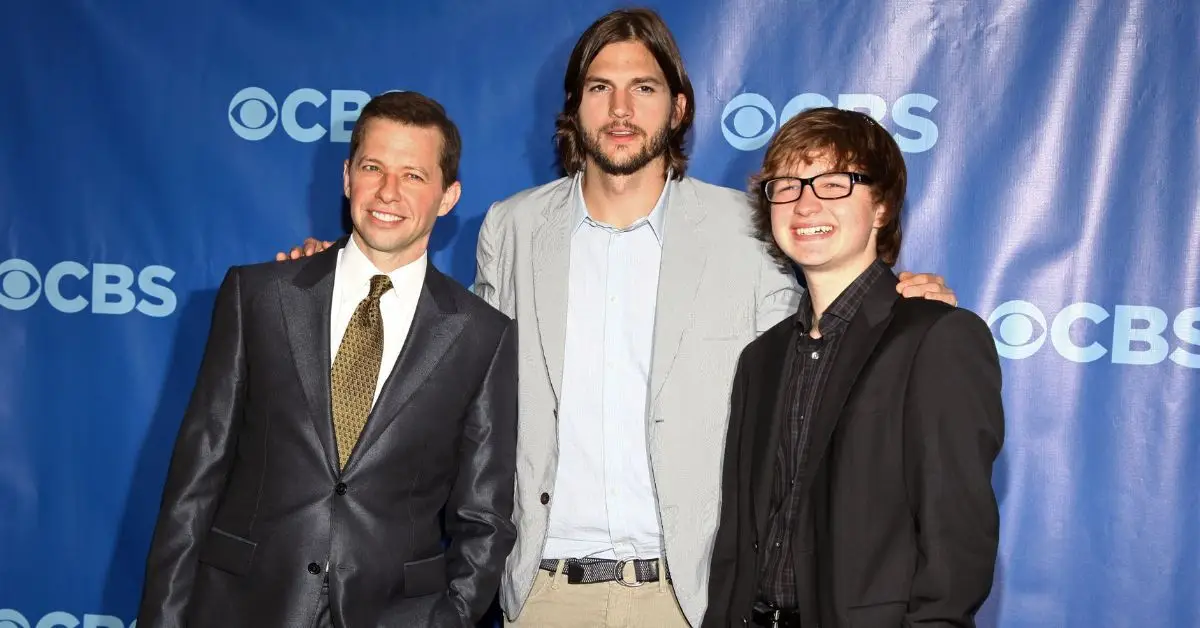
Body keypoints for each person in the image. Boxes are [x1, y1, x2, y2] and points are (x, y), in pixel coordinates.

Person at [279, 9, 956, 626]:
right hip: (543, 594)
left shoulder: (751, 230)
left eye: (645, 87)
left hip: (693, 598)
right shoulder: (513, 228)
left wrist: (893, 309)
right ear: (575, 106)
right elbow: (452, 361)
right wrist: (343, 278)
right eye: (600, 87)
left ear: (679, 106)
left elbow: (819, 343)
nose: (622, 108)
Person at [139, 91, 518, 628]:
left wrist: (446, 618)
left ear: (448, 195)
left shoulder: (483, 336)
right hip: (240, 608)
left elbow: (483, 519)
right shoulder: (258, 296)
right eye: (373, 167)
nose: (389, 191)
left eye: (414, 175)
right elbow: (195, 483)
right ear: (346, 177)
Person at [703, 107, 1004, 628]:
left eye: (835, 183)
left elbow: (956, 545)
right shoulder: (762, 359)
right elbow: (739, 542)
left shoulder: (936, 337)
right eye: (789, 185)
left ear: (882, 206)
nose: (806, 202)